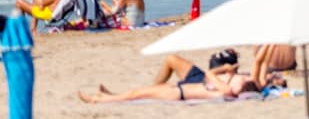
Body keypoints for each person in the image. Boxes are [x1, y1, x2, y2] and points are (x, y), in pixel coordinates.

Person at [78, 51, 259, 104]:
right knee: (170, 59)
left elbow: (259, 71)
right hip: (200, 80)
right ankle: (114, 96)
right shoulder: (242, 80)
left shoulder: (236, 84)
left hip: (194, 86)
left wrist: (225, 70)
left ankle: (103, 98)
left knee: (139, 94)